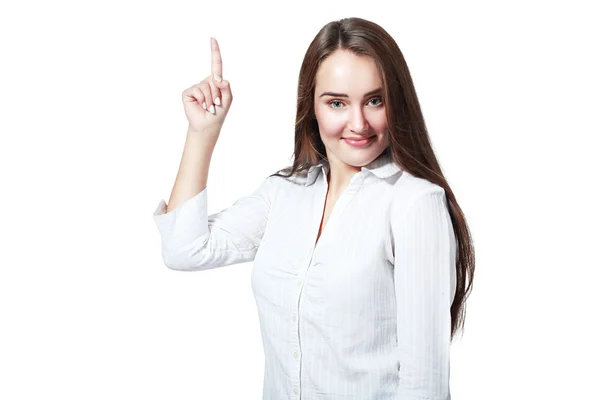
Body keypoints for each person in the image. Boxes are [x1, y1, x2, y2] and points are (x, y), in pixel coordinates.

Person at [153, 17, 475, 400]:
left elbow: (425, 385)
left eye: (375, 100)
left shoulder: (413, 203)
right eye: (337, 103)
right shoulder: (284, 194)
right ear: (313, 109)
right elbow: (184, 249)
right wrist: (202, 133)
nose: (359, 123)